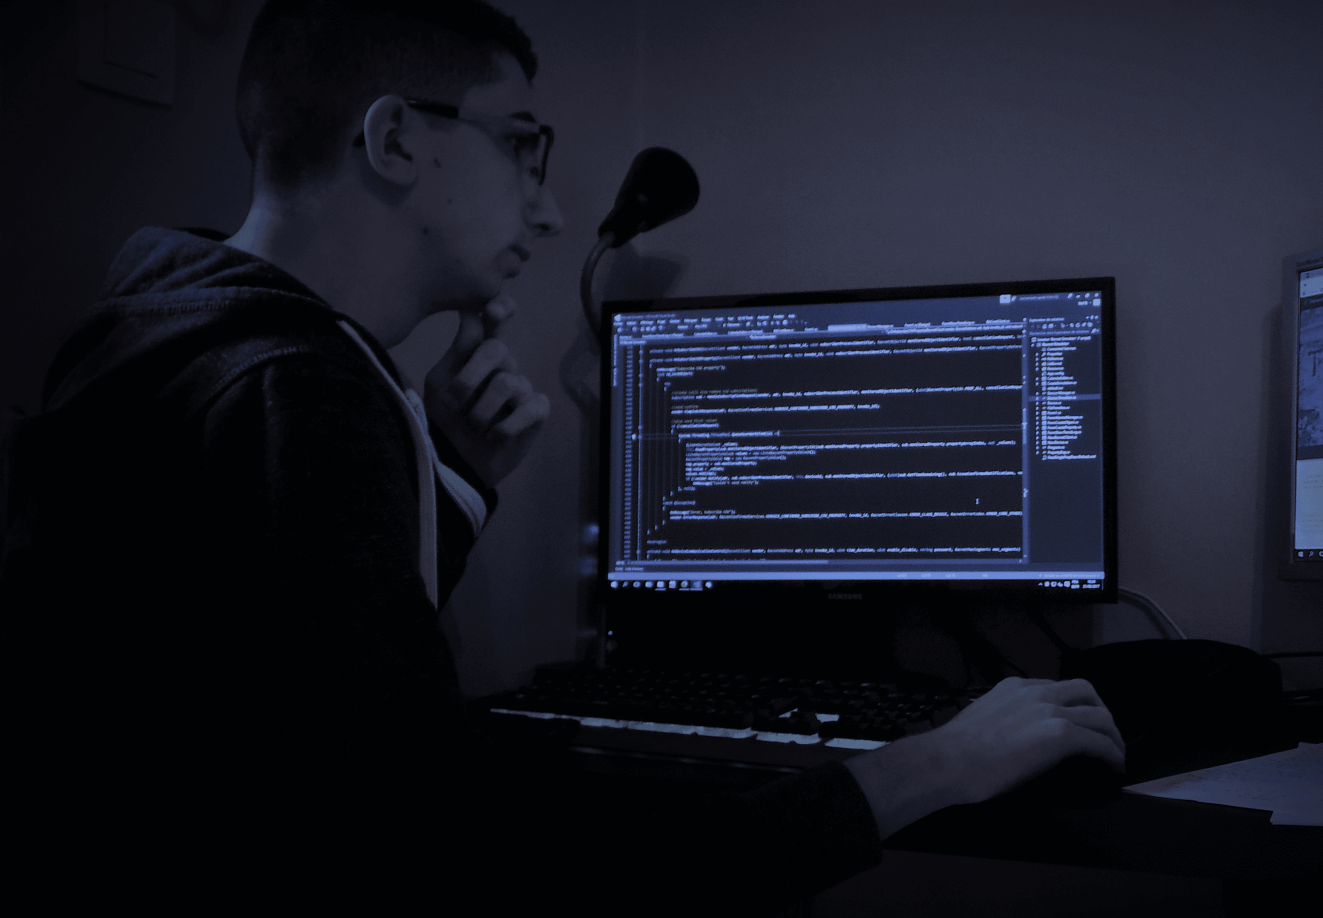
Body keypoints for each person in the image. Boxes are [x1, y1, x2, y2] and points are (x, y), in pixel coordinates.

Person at [0, 0, 1124, 905]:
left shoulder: (162, 333)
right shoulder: (299, 391)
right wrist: (923, 769)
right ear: (395, 139)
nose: (544, 213)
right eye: (522, 149)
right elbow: (471, 873)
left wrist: (451, 471)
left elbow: (284, 711)